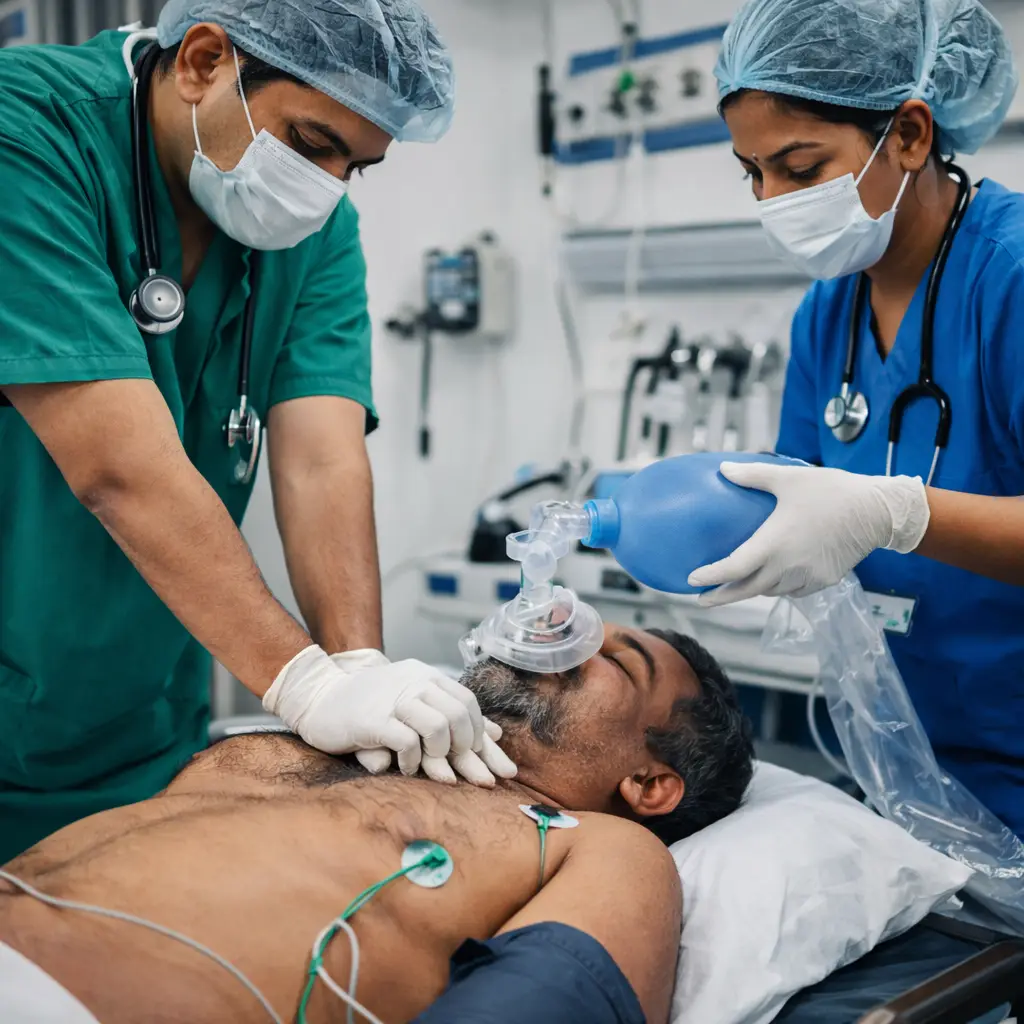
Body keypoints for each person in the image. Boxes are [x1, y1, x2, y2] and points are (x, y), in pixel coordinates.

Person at [0, 0, 511, 865]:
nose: (327, 186)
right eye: (311, 142)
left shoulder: (316, 231)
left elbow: (321, 464)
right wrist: (304, 685)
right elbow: (118, 470)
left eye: (357, 166)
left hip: (139, 724)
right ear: (202, 60)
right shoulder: (28, 132)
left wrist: (359, 672)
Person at [0, 625, 755, 1024]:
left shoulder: (601, 846)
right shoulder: (342, 734)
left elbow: (543, 1003)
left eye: (615, 660)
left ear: (649, 784)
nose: (562, 635)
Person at [689, 0, 1024, 842]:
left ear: (909, 134)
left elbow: (860, 512)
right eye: (751, 172)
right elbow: (798, 494)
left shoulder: (1011, 278)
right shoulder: (826, 314)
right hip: (907, 763)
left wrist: (893, 513)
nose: (771, 199)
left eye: (799, 169)